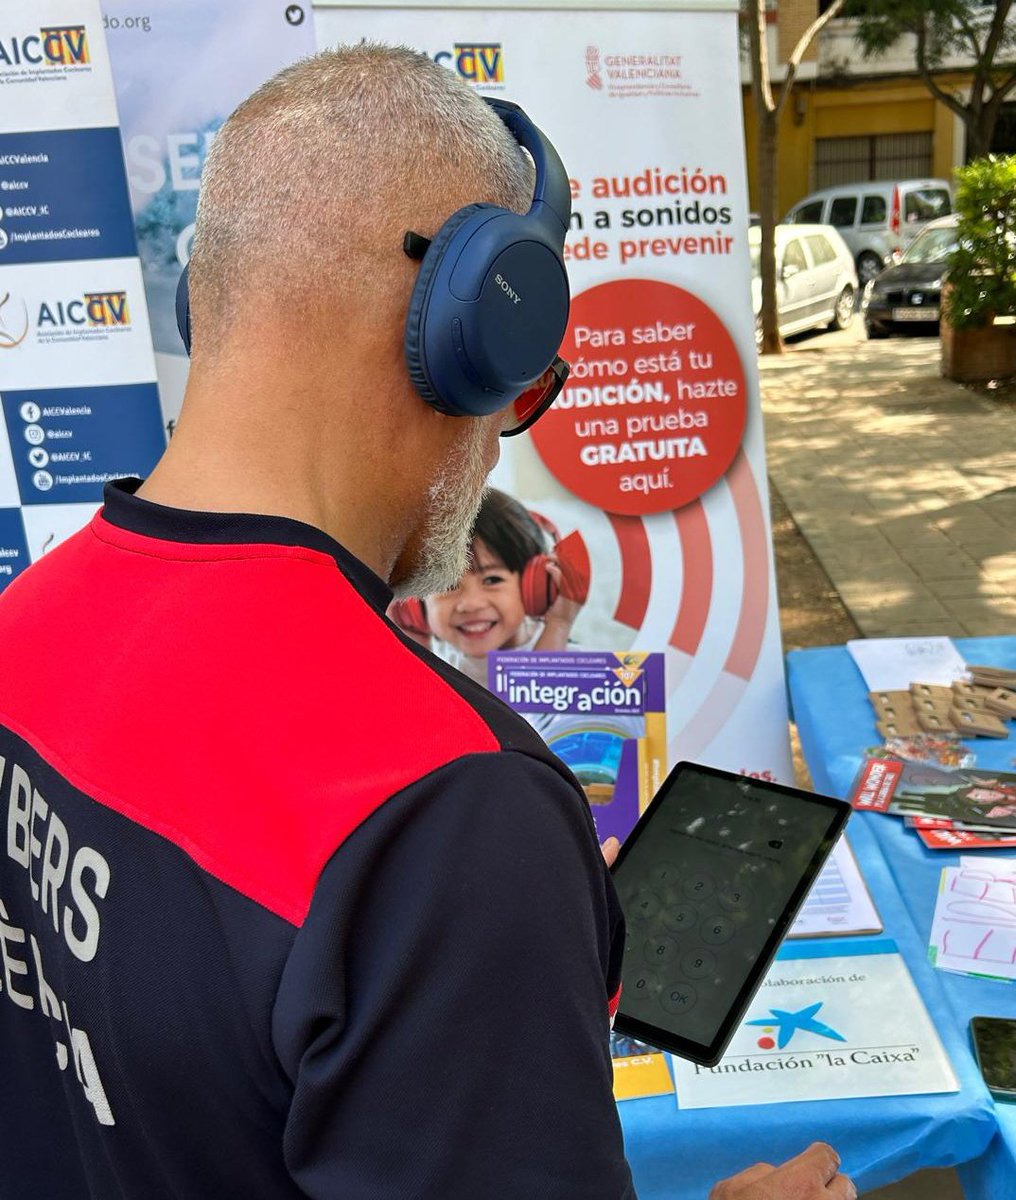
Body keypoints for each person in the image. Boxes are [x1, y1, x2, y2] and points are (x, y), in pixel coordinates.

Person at [0, 44, 852, 1200]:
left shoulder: (25, 622)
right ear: (479, 332)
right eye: (530, 382)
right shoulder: (450, 808)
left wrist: (481, 937)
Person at [420, 487, 585, 686]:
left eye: (492, 580)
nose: (471, 604)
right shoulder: (429, 668)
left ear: (534, 585)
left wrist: (559, 624)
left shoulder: (580, 668)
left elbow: (539, 703)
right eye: (447, 585)